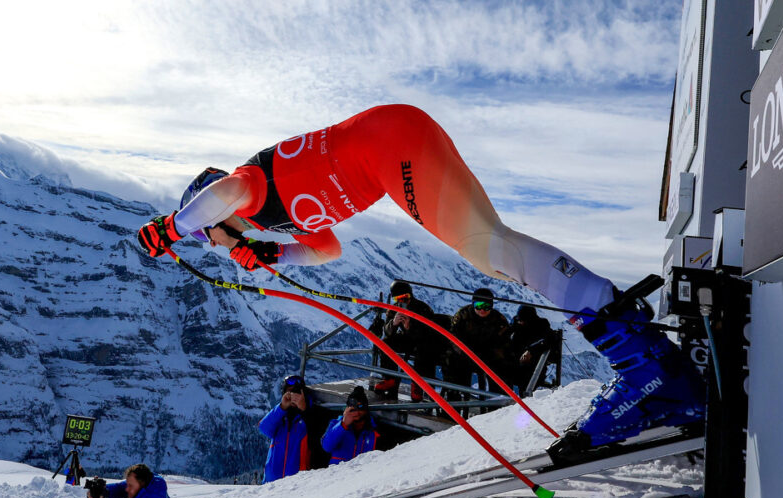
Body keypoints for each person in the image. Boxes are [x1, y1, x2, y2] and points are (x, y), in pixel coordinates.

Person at [136, 104, 706, 459]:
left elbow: (224, 194)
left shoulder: (246, 190)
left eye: (209, 235)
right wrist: (278, 253)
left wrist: (172, 227)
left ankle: (645, 363)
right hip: (396, 136)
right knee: (492, 247)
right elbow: (328, 248)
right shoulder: (266, 215)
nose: (215, 245)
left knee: (489, 248)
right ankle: (642, 354)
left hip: (390, 147)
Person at [445, 288, 510, 409]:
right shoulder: (463, 315)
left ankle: (495, 407)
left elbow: (503, 344)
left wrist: (488, 355)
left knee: (500, 371)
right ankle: (453, 404)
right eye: (478, 305)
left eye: (487, 306)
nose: (482, 310)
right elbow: (453, 337)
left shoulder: (499, 321)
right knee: (453, 364)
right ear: (473, 304)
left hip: (488, 357)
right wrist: (464, 352)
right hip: (465, 354)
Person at [373, 281, 438, 401]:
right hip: (406, 340)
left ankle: (418, 384)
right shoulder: (394, 308)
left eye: (405, 297)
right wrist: (393, 323)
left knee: (422, 349)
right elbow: (387, 332)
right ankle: (389, 378)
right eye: (398, 298)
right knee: (385, 343)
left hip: (423, 341)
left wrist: (409, 327)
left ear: (410, 295)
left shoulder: (422, 309)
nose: (402, 301)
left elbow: (428, 334)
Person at [258, 375, 329, 483]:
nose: (293, 396)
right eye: (290, 392)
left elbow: (317, 436)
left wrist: (303, 410)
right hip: (271, 484)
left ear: (303, 393)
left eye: (297, 392)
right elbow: (264, 428)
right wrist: (282, 407)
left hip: (296, 485)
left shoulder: (314, 415)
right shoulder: (280, 416)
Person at [499, 305, 555, 394]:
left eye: (522, 320)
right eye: (519, 320)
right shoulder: (516, 323)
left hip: (533, 364)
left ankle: (523, 399)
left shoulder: (541, 325)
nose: (520, 322)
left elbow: (549, 341)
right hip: (515, 360)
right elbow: (505, 335)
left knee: (524, 379)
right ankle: (506, 398)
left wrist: (531, 351)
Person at [321, 386, 378, 465]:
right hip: (338, 475)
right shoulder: (335, 424)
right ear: (347, 409)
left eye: (360, 407)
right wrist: (343, 425)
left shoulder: (373, 431)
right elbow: (327, 447)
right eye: (353, 408)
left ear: (366, 409)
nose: (357, 412)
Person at [87, 463, 172, 498]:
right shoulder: (150, 481)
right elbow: (121, 488)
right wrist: (103, 490)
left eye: (130, 485)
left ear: (142, 483)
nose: (127, 488)